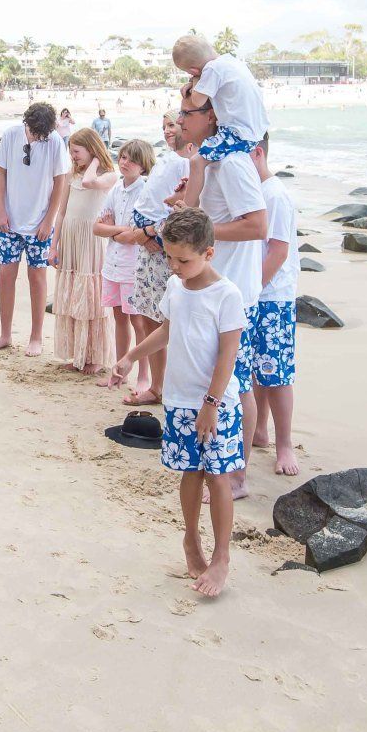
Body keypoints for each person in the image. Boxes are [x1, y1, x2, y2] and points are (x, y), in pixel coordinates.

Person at [116, 207, 245, 598]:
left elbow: (228, 356)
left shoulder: (227, 294)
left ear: (209, 253)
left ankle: (222, 557)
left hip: (216, 402)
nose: (173, 266)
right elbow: (167, 332)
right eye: (169, 256)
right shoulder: (175, 287)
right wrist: (131, 356)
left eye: (182, 259)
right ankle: (192, 540)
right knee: (190, 472)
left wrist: (211, 402)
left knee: (217, 477)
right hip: (179, 399)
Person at [175, 96, 267, 499]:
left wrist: (203, 231)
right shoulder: (212, 160)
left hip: (234, 292)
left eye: (186, 114)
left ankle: (238, 476)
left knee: (237, 385)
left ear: (210, 116)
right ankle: (225, 469)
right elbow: (194, 210)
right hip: (212, 286)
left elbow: (257, 225)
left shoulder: (231, 163)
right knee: (225, 380)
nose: (179, 120)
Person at [119, 113, 191, 405]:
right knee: (149, 317)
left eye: (173, 125)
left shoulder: (189, 162)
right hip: (147, 249)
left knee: (166, 321)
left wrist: (148, 233)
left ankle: (170, 388)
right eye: (164, 127)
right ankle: (157, 387)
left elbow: (186, 212)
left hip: (164, 250)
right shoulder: (168, 159)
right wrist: (143, 234)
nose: (168, 131)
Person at [170, 35, 269, 242]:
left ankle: (186, 212)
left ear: (194, 70)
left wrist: (193, 84)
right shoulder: (231, 61)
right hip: (252, 131)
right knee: (201, 162)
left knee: (197, 161)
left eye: (185, 114)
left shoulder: (212, 70)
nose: (179, 121)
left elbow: (197, 100)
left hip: (236, 133)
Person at [0, 102, 68, 355]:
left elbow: (60, 182)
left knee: (37, 277)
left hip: (39, 224)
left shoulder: (54, 140)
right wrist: (0, 209)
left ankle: (36, 337)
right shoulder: (11, 135)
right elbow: (0, 172)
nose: (38, 137)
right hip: (10, 222)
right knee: (6, 276)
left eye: (42, 134)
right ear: (27, 124)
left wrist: (49, 220)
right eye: (35, 132)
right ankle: (5, 335)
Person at [248, 134, 300, 475]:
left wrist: (254, 289)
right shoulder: (254, 193)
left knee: (277, 373)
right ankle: (260, 430)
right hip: (255, 291)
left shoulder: (276, 195)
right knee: (257, 368)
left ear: (257, 153)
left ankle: (285, 444)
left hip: (273, 295)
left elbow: (278, 252)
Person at [53, 129, 117, 374]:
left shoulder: (109, 175)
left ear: (92, 149)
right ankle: (78, 355)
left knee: (91, 298)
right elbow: (61, 212)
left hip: (91, 240)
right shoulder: (72, 175)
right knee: (73, 298)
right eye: (71, 152)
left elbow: (91, 183)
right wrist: (53, 245)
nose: (73, 156)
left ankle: (95, 357)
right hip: (70, 238)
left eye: (77, 151)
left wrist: (97, 161)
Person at [93, 139, 152, 390]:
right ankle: (119, 371)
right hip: (113, 265)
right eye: (123, 157)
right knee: (118, 318)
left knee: (138, 322)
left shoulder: (145, 191)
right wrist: (119, 229)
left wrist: (114, 230)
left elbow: (137, 234)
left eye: (132, 159)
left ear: (144, 165)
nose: (125, 163)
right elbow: (97, 227)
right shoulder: (116, 189)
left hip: (134, 268)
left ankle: (143, 375)